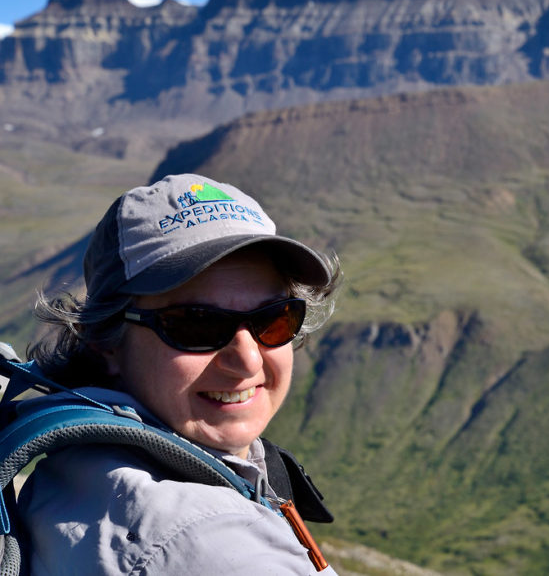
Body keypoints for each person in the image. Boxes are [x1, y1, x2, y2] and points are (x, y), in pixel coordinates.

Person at [18, 173, 342, 575]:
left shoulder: (76, 468)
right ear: (106, 341)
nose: (248, 361)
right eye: (196, 323)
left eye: (275, 318)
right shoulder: (213, 547)